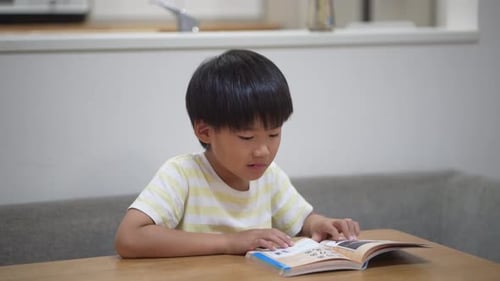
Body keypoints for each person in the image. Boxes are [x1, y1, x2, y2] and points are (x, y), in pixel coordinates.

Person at [114, 49, 360, 258]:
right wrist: (231, 242)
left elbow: (301, 220)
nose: (263, 151)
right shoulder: (183, 175)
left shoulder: (269, 177)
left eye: (274, 134)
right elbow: (129, 237)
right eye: (247, 137)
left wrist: (320, 224)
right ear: (205, 131)